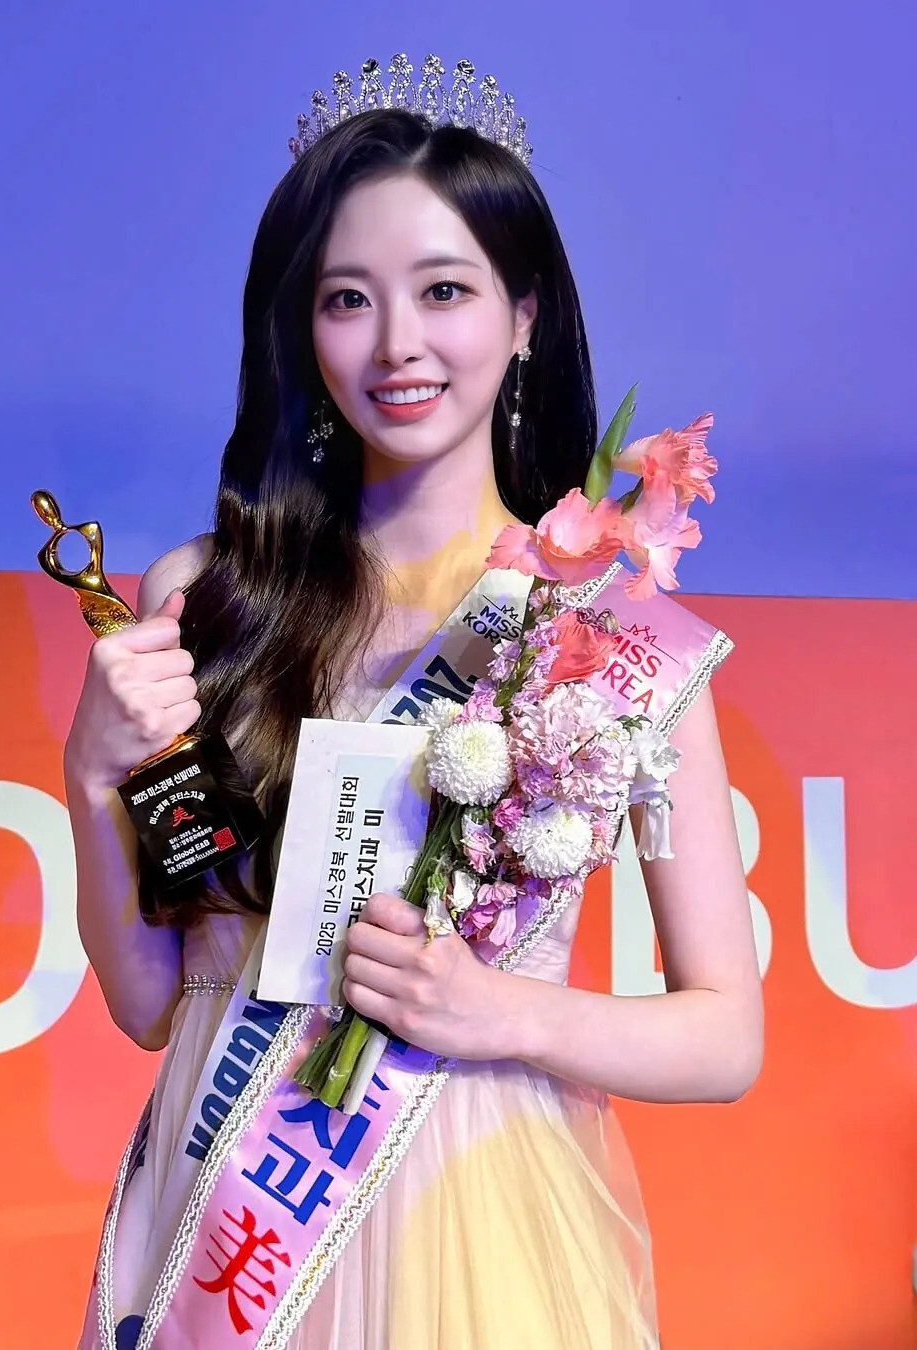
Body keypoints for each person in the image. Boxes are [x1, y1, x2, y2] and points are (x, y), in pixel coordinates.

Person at [62, 59, 763, 1350]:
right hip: (236, 1228)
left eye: (444, 290)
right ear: (300, 328)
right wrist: (92, 777)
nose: (396, 343)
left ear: (524, 314)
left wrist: (503, 1013)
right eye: (348, 298)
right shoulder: (208, 596)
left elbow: (725, 1036)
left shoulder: (599, 624)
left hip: (478, 1210)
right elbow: (151, 998)